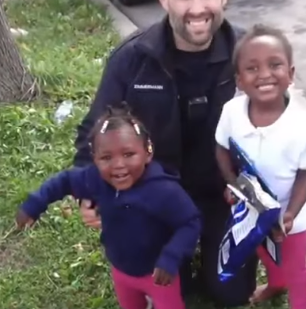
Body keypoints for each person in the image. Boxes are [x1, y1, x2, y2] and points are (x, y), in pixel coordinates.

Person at [72, 0, 258, 307]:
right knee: (177, 288)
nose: (197, 7)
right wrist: (89, 194)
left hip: (225, 195)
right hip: (157, 197)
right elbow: (92, 135)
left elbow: (279, 123)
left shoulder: (250, 54)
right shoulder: (132, 60)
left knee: (231, 293)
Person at [16, 105, 201, 309]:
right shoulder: (94, 178)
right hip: (120, 270)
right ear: (94, 158)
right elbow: (65, 181)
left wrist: (171, 257)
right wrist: (35, 204)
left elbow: (190, 222)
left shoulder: (164, 190)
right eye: (106, 158)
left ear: (148, 152)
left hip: (158, 273)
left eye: (129, 154)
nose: (118, 164)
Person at [215, 24, 306, 309]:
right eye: (252, 68)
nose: (264, 74)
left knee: (295, 267)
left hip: (290, 215)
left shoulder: (304, 126)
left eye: (274, 64)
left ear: (291, 74)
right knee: (263, 250)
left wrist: (290, 214)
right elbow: (221, 148)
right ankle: (276, 284)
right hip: (251, 209)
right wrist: (232, 184)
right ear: (239, 80)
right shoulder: (231, 112)